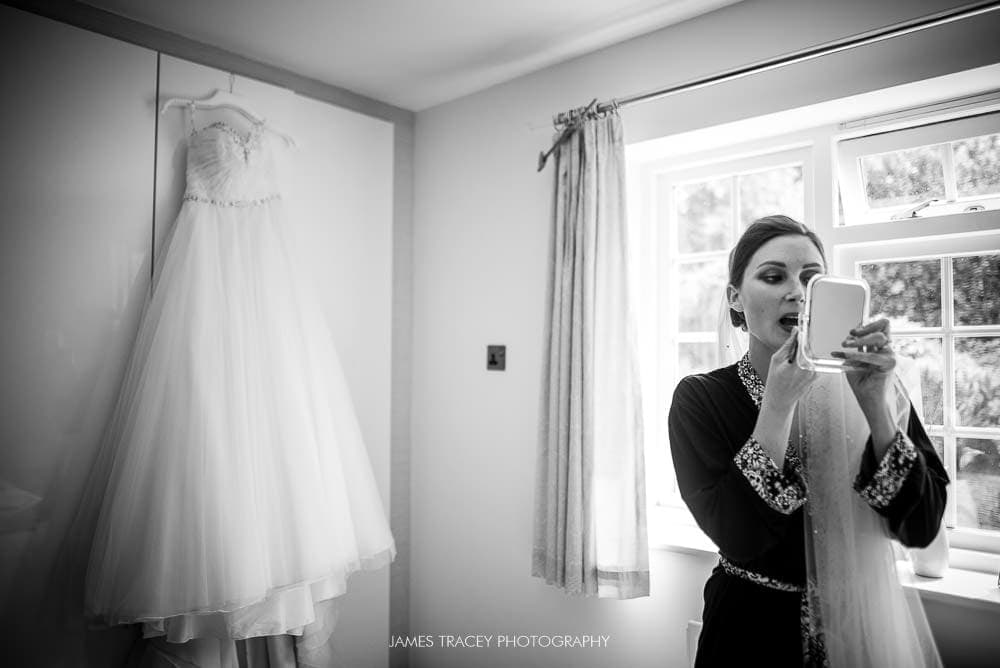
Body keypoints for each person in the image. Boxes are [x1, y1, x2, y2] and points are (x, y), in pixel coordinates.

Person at [668, 215, 948, 666]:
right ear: (735, 299)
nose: (797, 291)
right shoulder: (700, 399)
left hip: (856, 633)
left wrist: (877, 406)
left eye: (811, 278)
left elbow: (921, 526)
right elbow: (740, 535)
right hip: (748, 637)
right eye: (773, 276)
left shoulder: (876, 386)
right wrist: (776, 408)